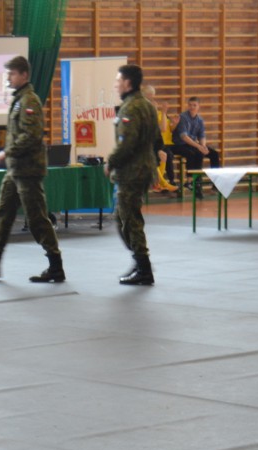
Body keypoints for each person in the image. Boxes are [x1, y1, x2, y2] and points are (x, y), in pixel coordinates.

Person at [0, 56, 65, 284]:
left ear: (23, 75)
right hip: (16, 171)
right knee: (2, 213)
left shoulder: (29, 100)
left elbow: (31, 136)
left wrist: (7, 151)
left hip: (28, 171)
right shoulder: (19, 99)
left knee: (37, 219)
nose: (8, 78)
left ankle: (55, 266)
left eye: (12, 74)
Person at [107, 64, 159, 286]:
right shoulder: (147, 105)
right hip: (144, 167)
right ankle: (139, 262)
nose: (116, 84)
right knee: (123, 218)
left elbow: (126, 143)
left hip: (132, 171)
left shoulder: (130, 108)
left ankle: (144, 268)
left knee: (130, 220)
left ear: (128, 83)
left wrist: (111, 162)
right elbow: (154, 138)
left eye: (118, 80)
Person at [173, 96, 221, 198]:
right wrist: (199, 147)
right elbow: (184, 137)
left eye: (194, 105)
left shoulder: (200, 120)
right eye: (190, 105)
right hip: (180, 144)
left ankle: (215, 183)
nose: (192, 107)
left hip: (193, 144)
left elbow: (202, 135)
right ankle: (194, 183)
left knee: (214, 154)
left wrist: (203, 146)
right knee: (196, 153)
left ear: (199, 106)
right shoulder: (183, 117)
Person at [142, 85, 177, 192]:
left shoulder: (157, 114)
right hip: (143, 147)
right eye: (150, 95)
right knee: (155, 157)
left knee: (164, 155)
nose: (153, 97)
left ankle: (158, 183)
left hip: (155, 144)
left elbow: (160, 133)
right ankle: (162, 182)